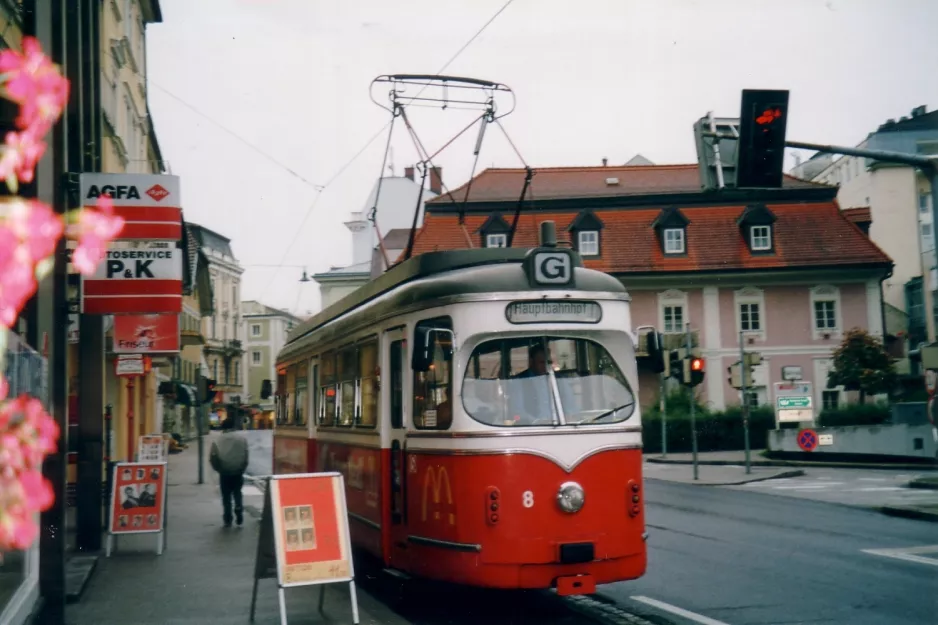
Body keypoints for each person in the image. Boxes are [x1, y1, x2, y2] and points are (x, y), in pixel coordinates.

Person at [210, 417, 250, 527]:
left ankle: (228, 517)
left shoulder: (217, 440)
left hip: (225, 472)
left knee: (226, 496)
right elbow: (246, 455)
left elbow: (213, 457)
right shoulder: (242, 439)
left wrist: (218, 469)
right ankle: (238, 507)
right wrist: (242, 468)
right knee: (237, 492)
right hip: (238, 471)